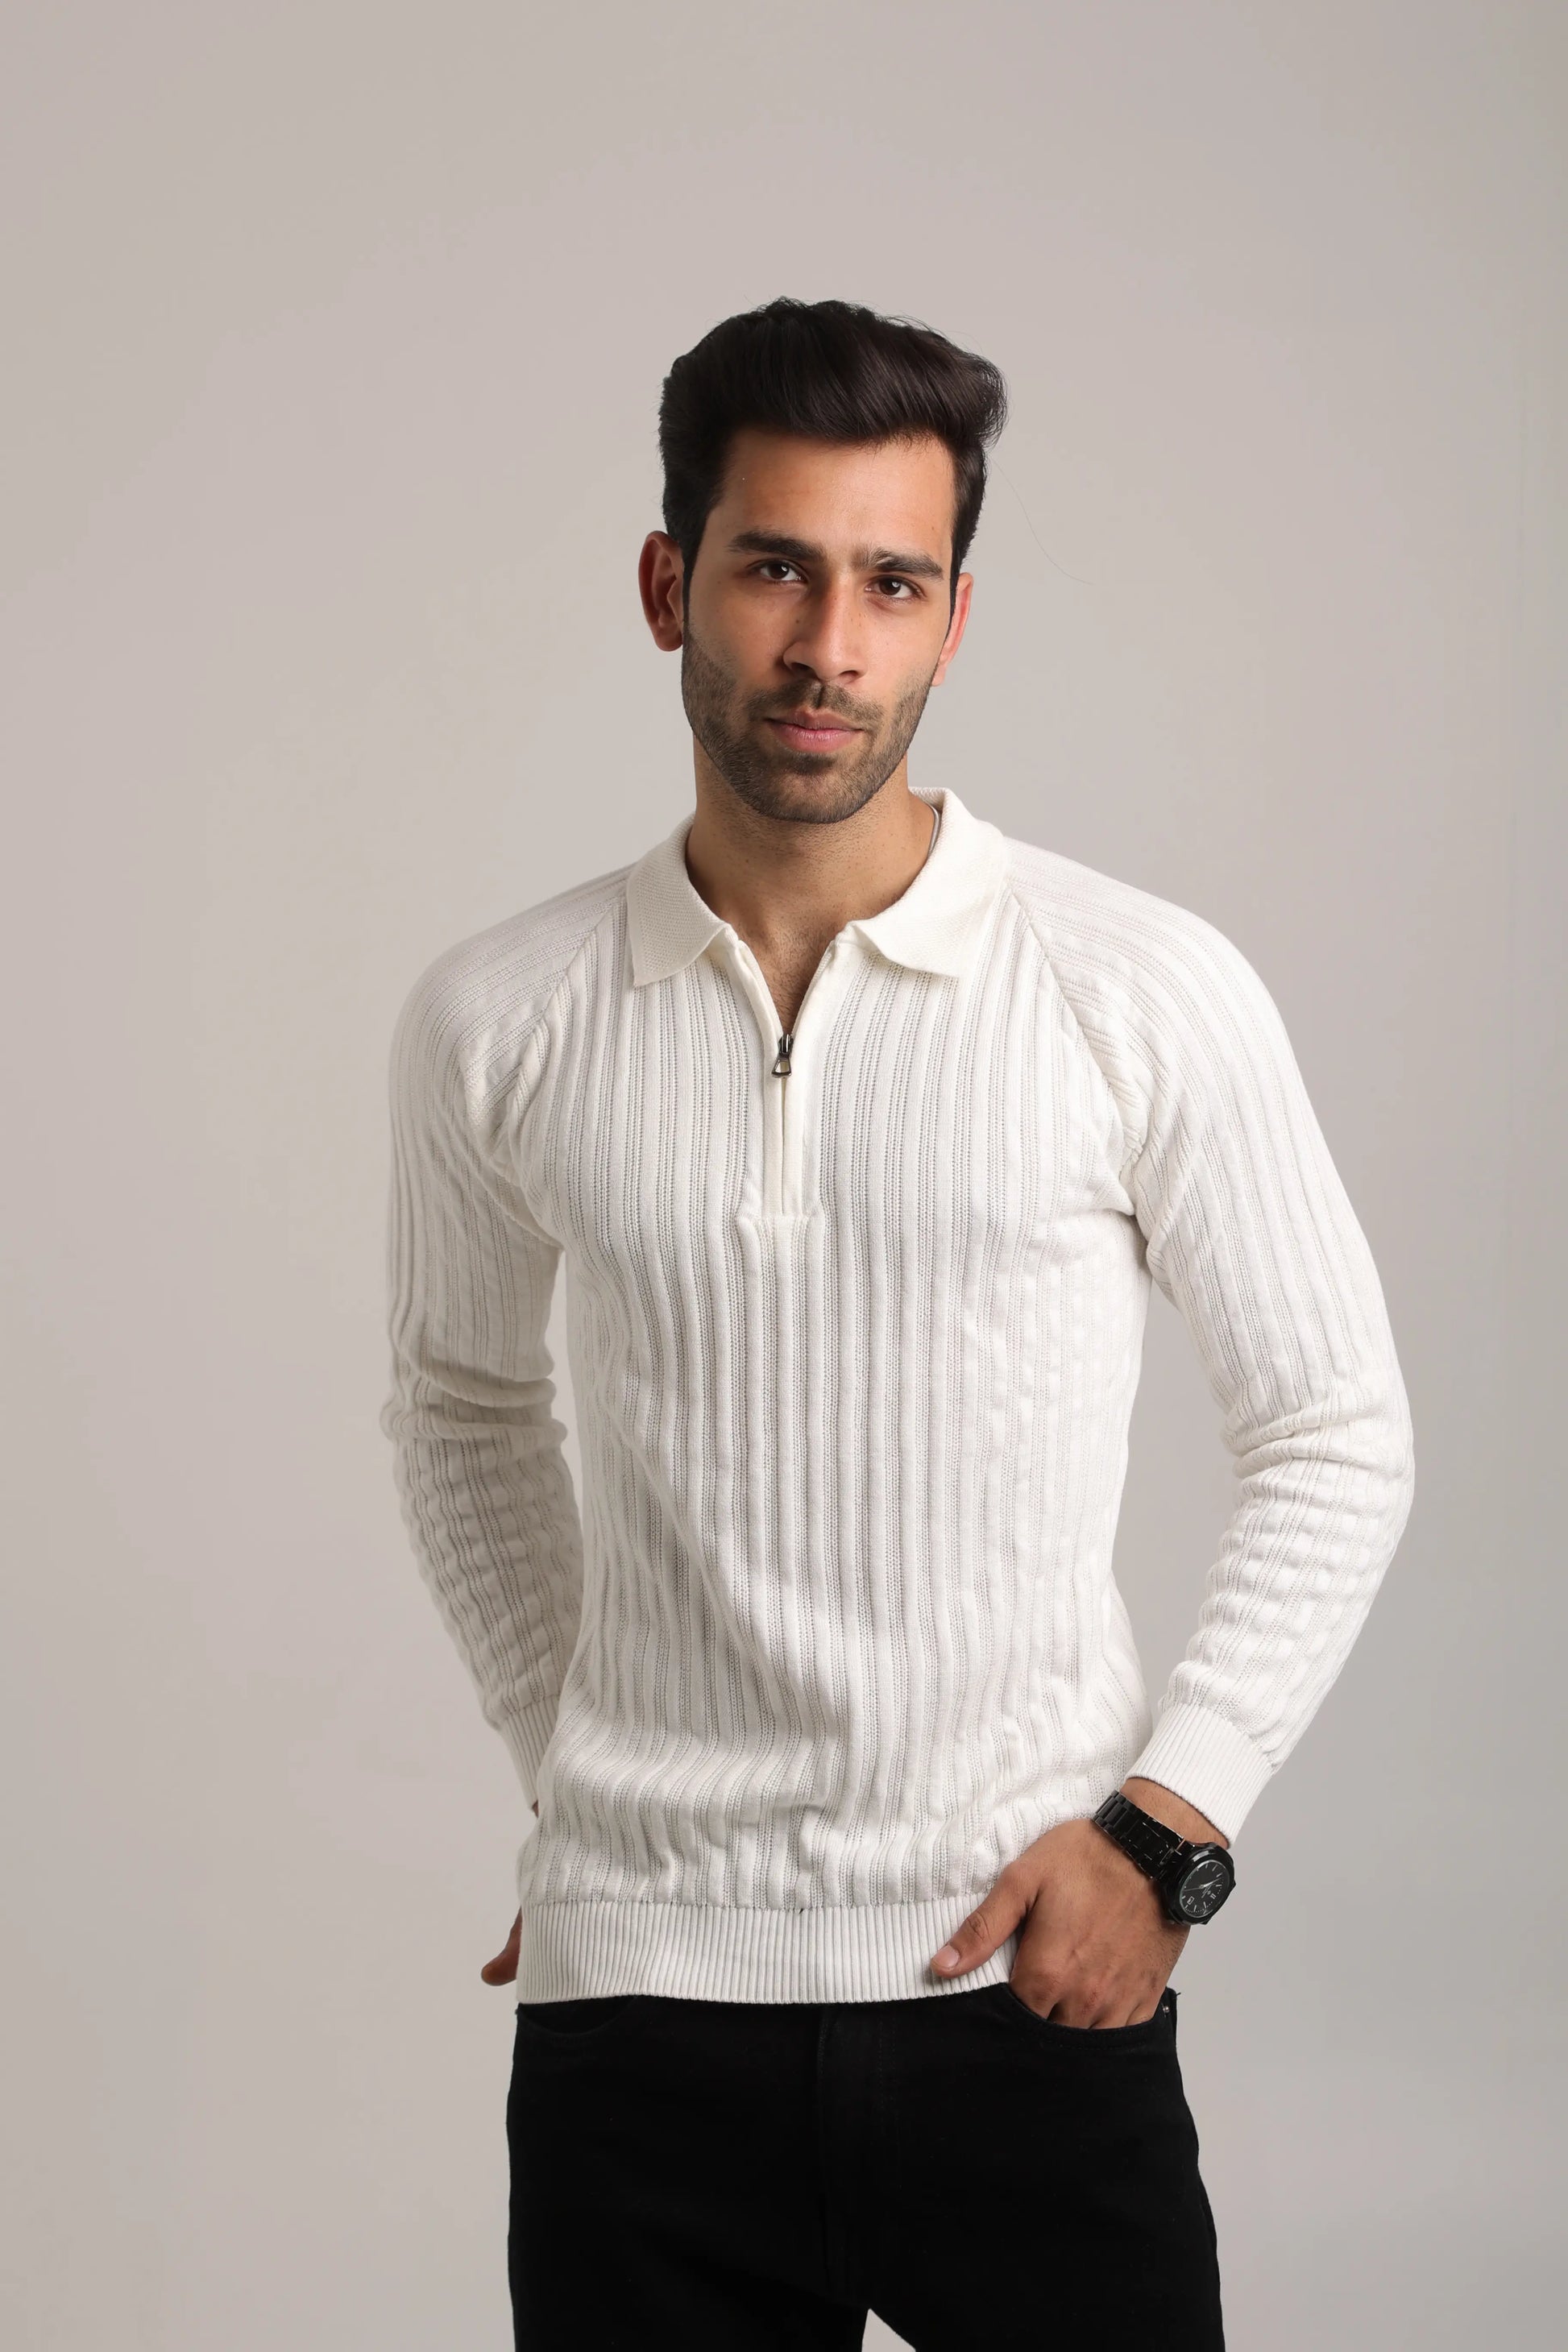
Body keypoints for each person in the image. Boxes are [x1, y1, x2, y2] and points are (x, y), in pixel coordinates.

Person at [380, 296, 1415, 2349]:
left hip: (1023, 1985)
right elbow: (459, 1409)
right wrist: (582, 1782)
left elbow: (1335, 1425)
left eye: (891, 583)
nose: (828, 646)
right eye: (775, 568)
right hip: (640, 2021)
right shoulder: (500, 1017)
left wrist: (1165, 1833)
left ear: (954, 620)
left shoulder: (1137, 987)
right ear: (669, 585)